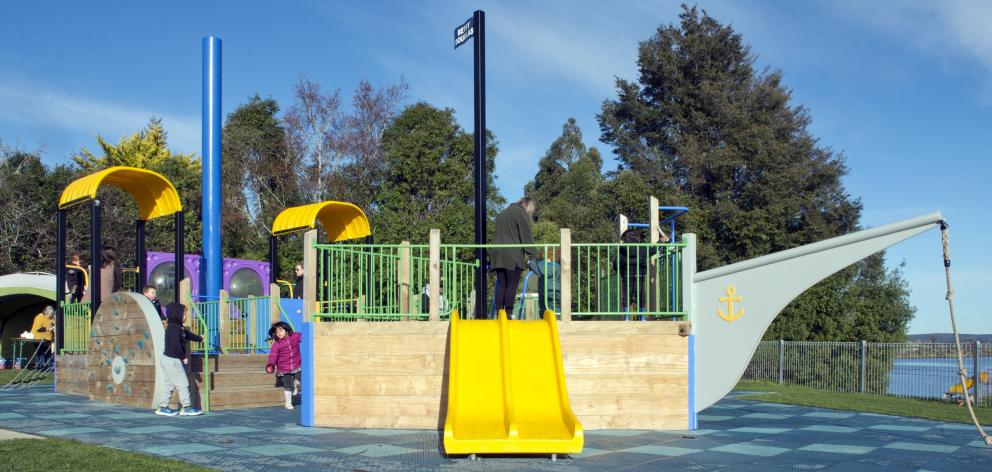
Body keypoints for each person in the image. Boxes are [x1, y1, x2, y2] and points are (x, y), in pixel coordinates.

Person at [490, 197, 537, 319]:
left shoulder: (502, 213)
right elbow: (526, 236)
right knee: (512, 285)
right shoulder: (520, 213)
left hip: (498, 254)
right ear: (527, 206)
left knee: (501, 284)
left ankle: (499, 312)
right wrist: (533, 255)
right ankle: (509, 313)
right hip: (513, 255)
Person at [154, 303, 204, 416]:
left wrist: (200, 338)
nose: (185, 316)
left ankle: (162, 407)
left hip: (167, 359)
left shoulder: (177, 328)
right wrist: (183, 357)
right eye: (184, 314)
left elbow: (188, 335)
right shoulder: (173, 329)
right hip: (172, 360)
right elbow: (176, 345)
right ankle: (186, 407)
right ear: (177, 314)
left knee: (169, 384)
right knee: (183, 383)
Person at [617, 228, 669, 317]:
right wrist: (660, 241)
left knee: (627, 296)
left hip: (626, 275)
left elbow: (617, 262)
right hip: (639, 274)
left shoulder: (622, 249)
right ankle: (643, 317)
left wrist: (620, 271)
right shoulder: (642, 248)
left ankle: (626, 317)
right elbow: (652, 251)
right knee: (641, 295)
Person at [266, 321, 302, 410]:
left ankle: (296, 386)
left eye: (281, 331)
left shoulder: (295, 336)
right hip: (284, 368)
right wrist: (271, 365)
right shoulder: (277, 344)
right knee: (288, 385)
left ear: (286, 330)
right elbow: (273, 355)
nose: (279, 334)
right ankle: (288, 403)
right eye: (277, 332)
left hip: (296, 364)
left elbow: (307, 336)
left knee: (300, 379)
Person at [528, 251, 561, 317]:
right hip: (551, 291)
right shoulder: (557, 265)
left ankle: (549, 320)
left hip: (547, 291)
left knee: (547, 308)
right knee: (550, 308)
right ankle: (553, 319)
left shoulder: (544, 265)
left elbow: (536, 268)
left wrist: (530, 262)